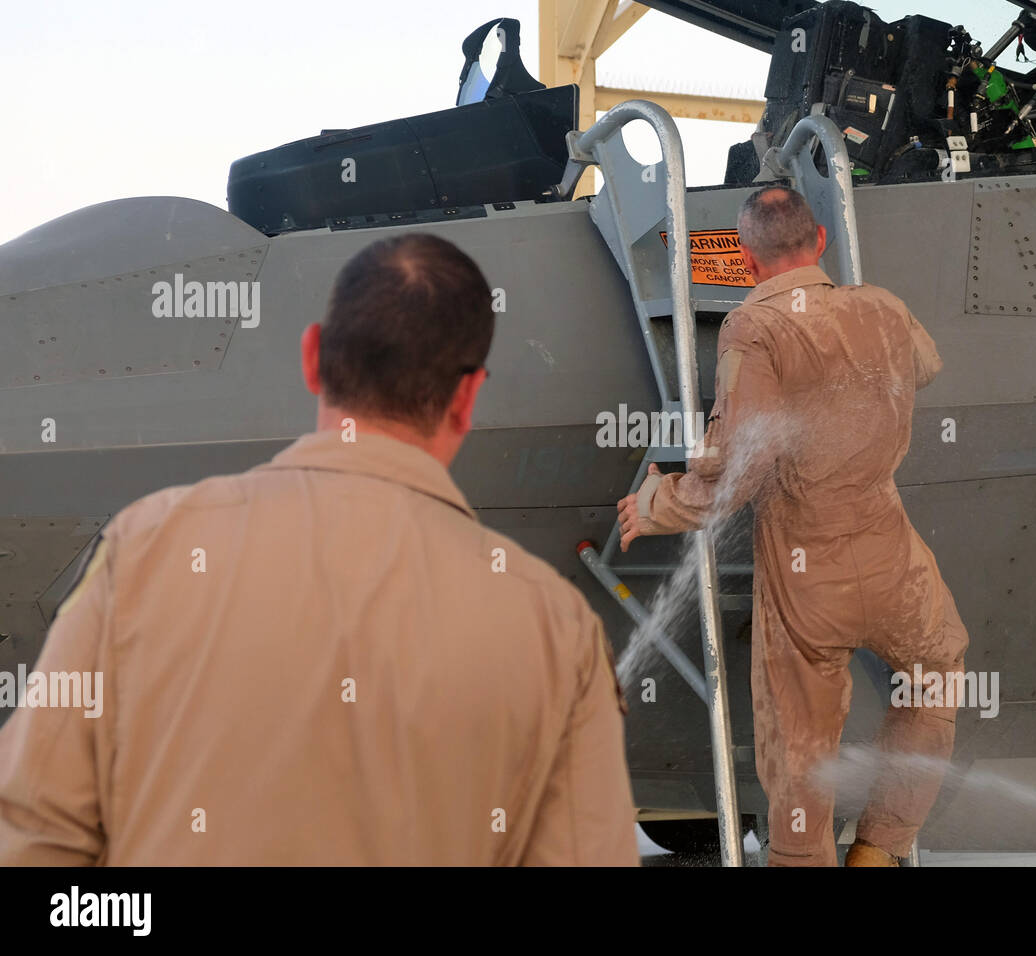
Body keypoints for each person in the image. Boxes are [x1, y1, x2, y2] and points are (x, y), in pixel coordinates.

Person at [0, 233, 639, 866]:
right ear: (468, 397)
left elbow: (34, 830)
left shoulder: (143, 549)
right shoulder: (557, 629)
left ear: (312, 358)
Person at [618, 185, 968, 867]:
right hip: (893, 555)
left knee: (801, 749)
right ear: (821, 242)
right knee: (937, 677)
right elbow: (924, 366)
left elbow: (740, 468)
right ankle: (880, 849)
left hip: (807, 573)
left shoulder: (753, 327)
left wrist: (656, 505)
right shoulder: (883, 307)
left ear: (746, 260)